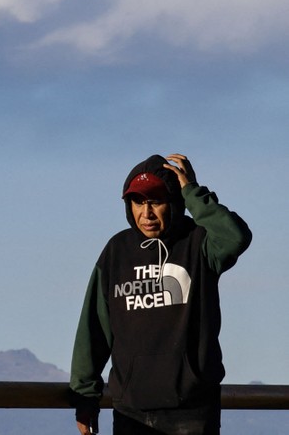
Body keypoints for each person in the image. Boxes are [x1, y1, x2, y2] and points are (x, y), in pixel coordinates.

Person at [69, 154, 252, 434]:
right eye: (138, 202)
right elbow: (94, 327)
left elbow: (235, 237)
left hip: (192, 412)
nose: (147, 213)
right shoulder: (117, 251)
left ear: (175, 202)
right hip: (131, 411)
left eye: (156, 201)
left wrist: (192, 191)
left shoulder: (200, 243)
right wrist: (86, 396)